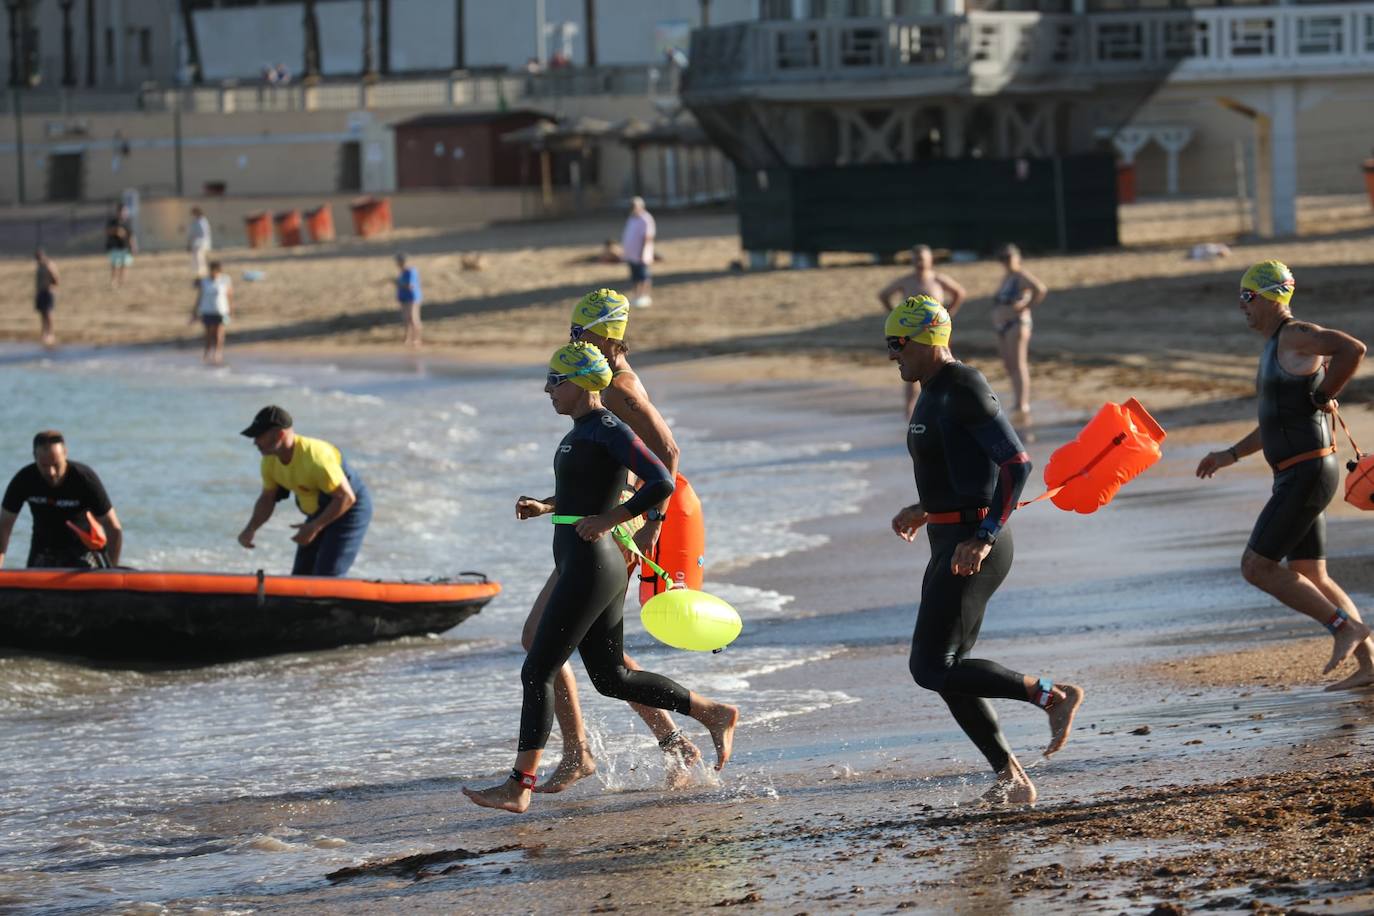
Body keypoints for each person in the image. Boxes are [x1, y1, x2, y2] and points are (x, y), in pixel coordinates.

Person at [462, 342, 738, 814]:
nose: (548, 389)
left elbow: (660, 479)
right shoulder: (582, 431)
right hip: (584, 561)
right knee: (612, 677)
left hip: (594, 564)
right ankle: (711, 711)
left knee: (538, 669)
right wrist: (547, 506)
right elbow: (583, 490)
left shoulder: (608, 426)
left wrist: (613, 519)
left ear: (581, 383)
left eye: (556, 381)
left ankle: (518, 785)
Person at [886, 296, 1083, 805]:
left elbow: (1017, 465)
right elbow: (960, 468)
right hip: (949, 538)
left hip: (976, 544)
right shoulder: (931, 391)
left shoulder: (963, 385)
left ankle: (1051, 696)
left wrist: (985, 535)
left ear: (926, 339)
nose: (892, 355)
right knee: (949, 669)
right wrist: (924, 508)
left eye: (897, 343)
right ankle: (1011, 778)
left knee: (931, 667)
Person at [514, 289, 702, 793]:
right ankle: (670, 741)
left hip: (611, 530)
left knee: (548, 643)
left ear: (608, 335)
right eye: (572, 332)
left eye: (581, 333)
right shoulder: (607, 380)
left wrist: (646, 523)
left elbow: (667, 452)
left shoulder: (617, 388)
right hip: (602, 522)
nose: (573, 340)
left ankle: (580, 753)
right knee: (602, 656)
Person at [1196, 260, 1374, 690]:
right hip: (1298, 474)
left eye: (1246, 297)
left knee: (1256, 566)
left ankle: (1342, 627)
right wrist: (1230, 454)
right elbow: (1274, 421)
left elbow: (1353, 348)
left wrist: (1325, 391)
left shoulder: (1295, 334)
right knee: (1312, 574)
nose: (1242, 307)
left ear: (1269, 296)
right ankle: (1370, 667)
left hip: (1307, 473)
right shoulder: (1275, 347)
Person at [236, 406, 373, 577]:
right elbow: (267, 498)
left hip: (349, 508)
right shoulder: (269, 461)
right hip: (321, 510)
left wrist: (315, 526)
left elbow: (346, 497)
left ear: (279, 434)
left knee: (326, 577)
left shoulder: (316, 458)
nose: (255, 442)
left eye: (259, 436)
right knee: (301, 575)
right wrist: (251, 528)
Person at [0, 430, 123, 569]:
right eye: (44, 466)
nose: (51, 472)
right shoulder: (24, 480)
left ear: (65, 453)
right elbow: (4, 526)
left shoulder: (84, 479)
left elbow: (114, 528)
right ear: (35, 457)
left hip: (83, 552)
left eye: (56, 465)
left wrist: (111, 572)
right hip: (42, 551)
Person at [878, 244, 968, 418]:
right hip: (912, 336)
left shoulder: (937, 279)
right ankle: (910, 410)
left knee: (942, 366)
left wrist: (948, 314)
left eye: (922, 258)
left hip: (936, 333)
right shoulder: (907, 280)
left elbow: (959, 293)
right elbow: (884, 295)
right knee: (910, 368)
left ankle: (946, 403)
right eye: (916, 258)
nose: (919, 262)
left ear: (930, 260)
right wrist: (894, 315)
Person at [990, 244, 1047, 425]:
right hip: (1002, 326)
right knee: (1008, 365)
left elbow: (1040, 289)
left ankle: (1022, 404)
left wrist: (1024, 307)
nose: (1005, 261)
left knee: (1019, 363)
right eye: (1002, 258)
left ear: (1017, 257)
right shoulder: (1006, 277)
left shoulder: (1020, 276)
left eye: (1008, 257)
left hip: (1017, 324)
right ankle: (1017, 400)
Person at [190, 260, 233, 365]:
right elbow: (198, 294)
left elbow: (230, 296)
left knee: (219, 333)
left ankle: (218, 353)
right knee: (208, 334)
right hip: (207, 310)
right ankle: (207, 352)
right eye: (212, 270)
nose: (213, 273)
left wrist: (231, 310)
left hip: (221, 310)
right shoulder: (204, 281)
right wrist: (195, 311)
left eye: (215, 271)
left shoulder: (225, 280)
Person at [621, 197, 656, 308]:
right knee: (635, 277)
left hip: (641, 254)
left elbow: (647, 237)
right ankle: (636, 295)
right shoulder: (632, 218)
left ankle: (645, 296)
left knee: (643, 276)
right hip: (631, 254)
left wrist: (643, 253)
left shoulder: (645, 219)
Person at [394, 253, 422, 348]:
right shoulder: (402, 272)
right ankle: (407, 338)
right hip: (404, 298)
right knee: (406, 319)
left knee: (414, 318)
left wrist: (398, 283)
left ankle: (416, 339)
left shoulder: (411, 271)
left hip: (412, 297)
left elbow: (410, 286)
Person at [105, 205, 136, 288]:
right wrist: (116, 231)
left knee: (124, 265)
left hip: (125, 247)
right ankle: (113, 281)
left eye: (124, 211)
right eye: (122, 211)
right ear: (118, 212)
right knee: (115, 265)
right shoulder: (113, 222)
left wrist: (133, 246)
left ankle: (121, 281)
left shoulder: (127, 222)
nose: (123, 213)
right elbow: (107, 231)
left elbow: (131, 235)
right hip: (115, 247)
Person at [34, 249, 58, 348]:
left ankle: (51, 334)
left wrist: (52, 286)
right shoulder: (39, 266)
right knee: (42, 313)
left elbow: (55, 277)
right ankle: (44, 333)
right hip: (41, 291)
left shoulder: (49, 264)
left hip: (48, 291)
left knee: (48, 313)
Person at [187, 207, 212, 278]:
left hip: (201, 242)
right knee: (196, 257)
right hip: (195, 242)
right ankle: (197, 270)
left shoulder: (203, 221)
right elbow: (192, 232)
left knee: (200, 256)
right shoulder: (196, 221)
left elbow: (205, 233)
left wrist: (203, 242)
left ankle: (202, 271)